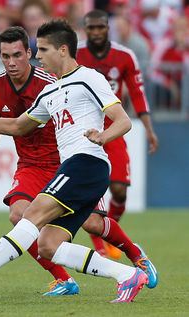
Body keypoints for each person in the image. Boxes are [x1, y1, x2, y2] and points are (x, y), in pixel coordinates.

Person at [0, 19, 154, 303]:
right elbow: (18, 126)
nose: (37, 56)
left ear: (63, 50)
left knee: (32, 216)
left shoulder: (89, 78)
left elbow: (123, 121)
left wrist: (102, 137)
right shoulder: (49, 92)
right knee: (48, 245)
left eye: (42, 49)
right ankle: (127, 276)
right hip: (70, 167)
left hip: (85, 163)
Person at [77, 9, 159, 259]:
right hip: (82, 129)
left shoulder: (124, 56)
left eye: (100, 27)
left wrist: (148, 128)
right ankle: (102, 246)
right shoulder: (76, 53)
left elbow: (137, 92)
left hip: (113, 128)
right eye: (91, 27)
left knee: (120, 188)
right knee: (90, 190)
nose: (96, 32)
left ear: (107, 28)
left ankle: (109, 231)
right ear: (86, 29)